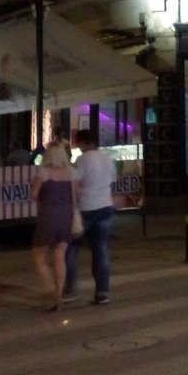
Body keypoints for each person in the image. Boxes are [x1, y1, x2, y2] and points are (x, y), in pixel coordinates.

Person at [65, 129, 115, 305]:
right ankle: (102, 291)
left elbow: (75, 183)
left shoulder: (82, 160)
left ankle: (70, 289)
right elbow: (112, 181)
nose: (78, 146)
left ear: (84, 143)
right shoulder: (108, 159)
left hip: (85, 208)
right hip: (105, 207)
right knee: (101, 250)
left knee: (72, 247)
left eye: (78, 143)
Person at [29, 135, 76, 311]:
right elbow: (76, 196)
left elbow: (34, 194)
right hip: (66, 216)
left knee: (38, 255)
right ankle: (59, 292)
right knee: (59, 254)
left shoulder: (44, 172)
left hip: (48, 215)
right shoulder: (70, 172)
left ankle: (49, 289)